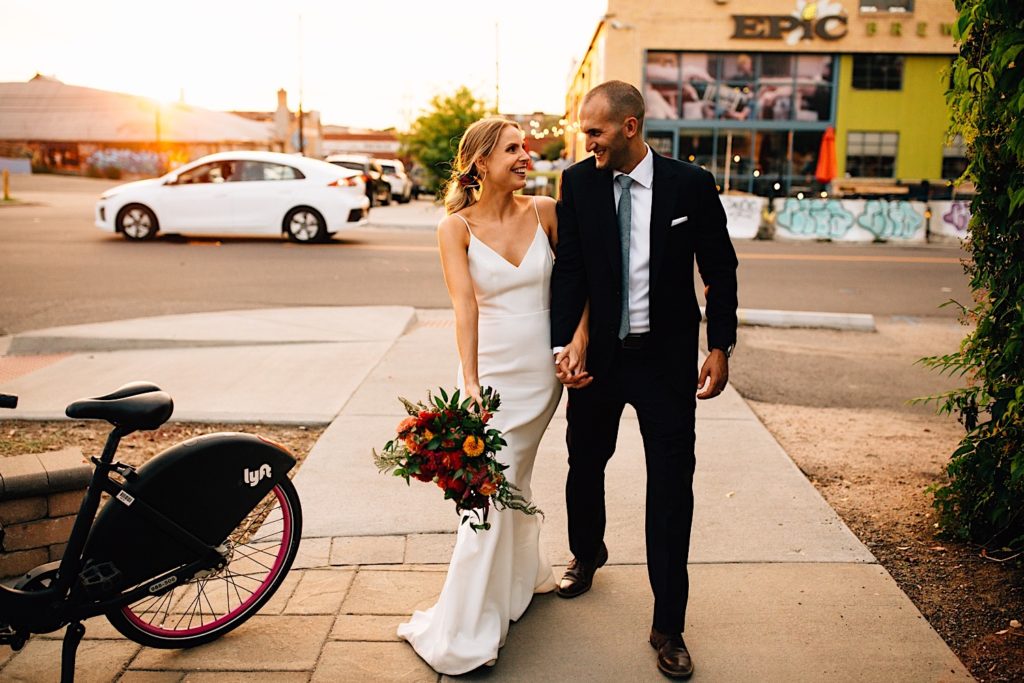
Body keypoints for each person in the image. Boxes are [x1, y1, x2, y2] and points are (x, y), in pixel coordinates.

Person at [551, 81, 738, 679]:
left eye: (596, 131)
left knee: (671, 489)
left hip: (665, 363)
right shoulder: (578, 183)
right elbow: (571, 270)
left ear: (629, 127)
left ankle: (668, 626)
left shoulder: (690, 184)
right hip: (601, 361)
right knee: (584, 464)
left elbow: (719, 268)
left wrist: (719, 345)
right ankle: (588, 552)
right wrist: (566, 343)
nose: (589, 142)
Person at [397, 117, 591, 674]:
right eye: (512, 149)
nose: (525, 155)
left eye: (525, 147)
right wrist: (471, 381)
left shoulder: (548, 211)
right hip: (493, 373)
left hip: (542, 372)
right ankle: (466, 624)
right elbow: (465, 310)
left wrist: (577, 341)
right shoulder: (453, 228)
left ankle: (516, 583)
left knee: (513, 477)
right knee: (491, 487)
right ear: (481, 163)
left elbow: (579, 288)